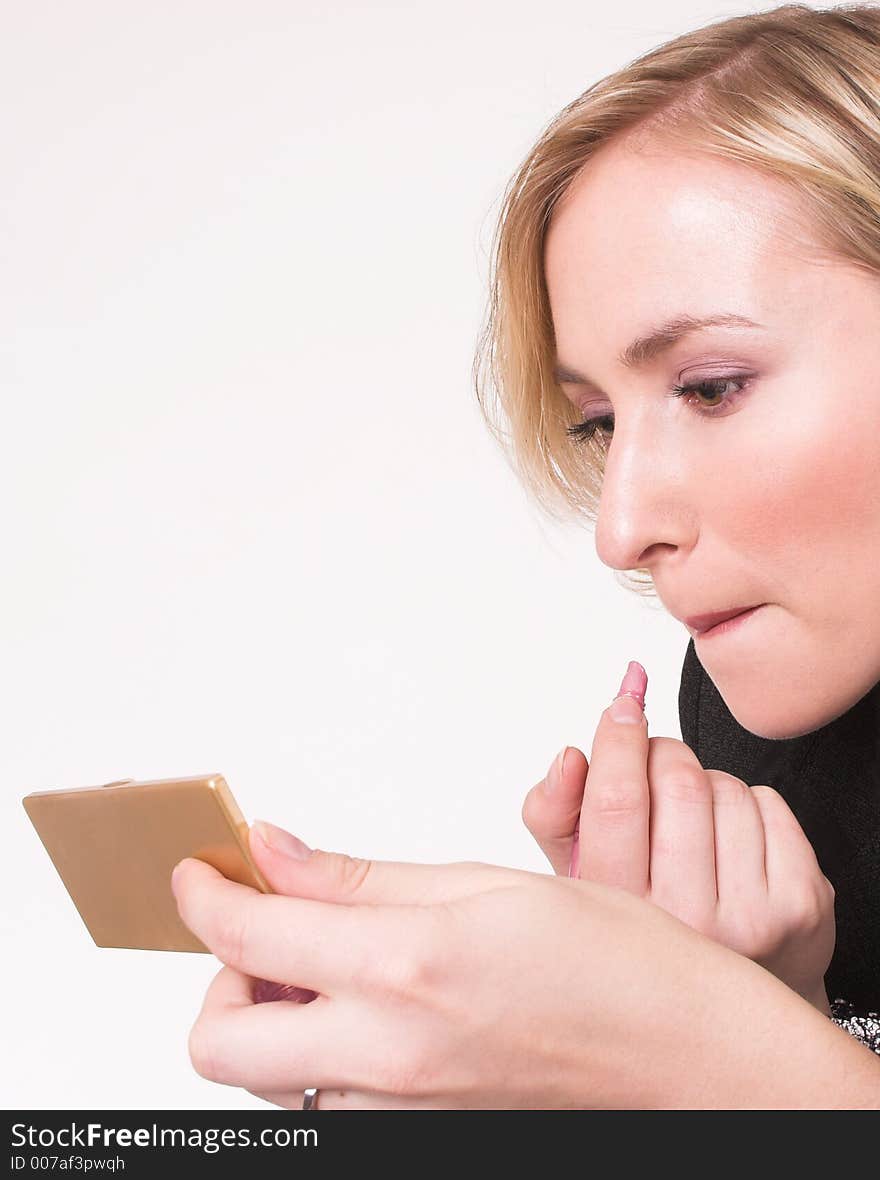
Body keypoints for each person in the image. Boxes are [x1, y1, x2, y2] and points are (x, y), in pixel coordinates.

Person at [170, 3, 880, 1107]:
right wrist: (747, 1012)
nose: (617, 530)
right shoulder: (761, 732)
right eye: (597, 423)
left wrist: (703, 1048)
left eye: (708, 387)